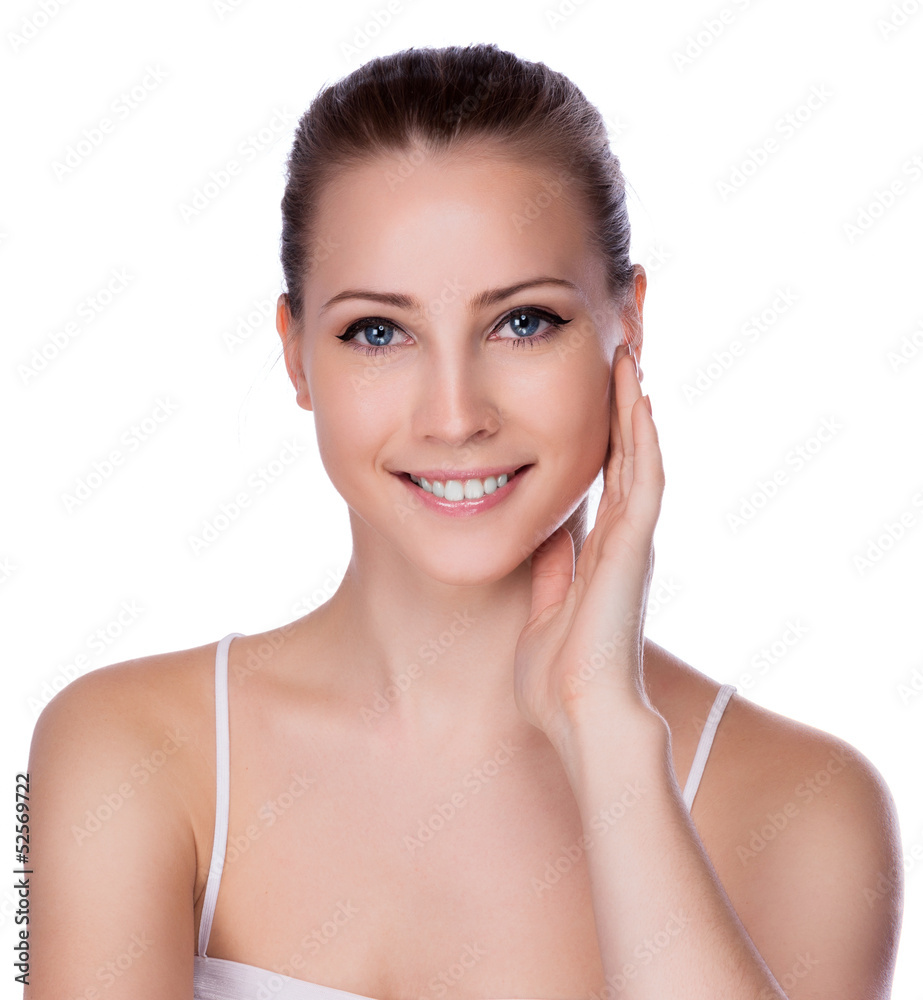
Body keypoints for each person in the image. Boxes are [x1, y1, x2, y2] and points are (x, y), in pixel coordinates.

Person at [26, 43, 902, 1000]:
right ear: (296, 357)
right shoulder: (128, 749)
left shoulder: (807, 811)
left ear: (628, 327)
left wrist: (606, 737)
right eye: (378, 332)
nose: (454, 415)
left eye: (522, 321)